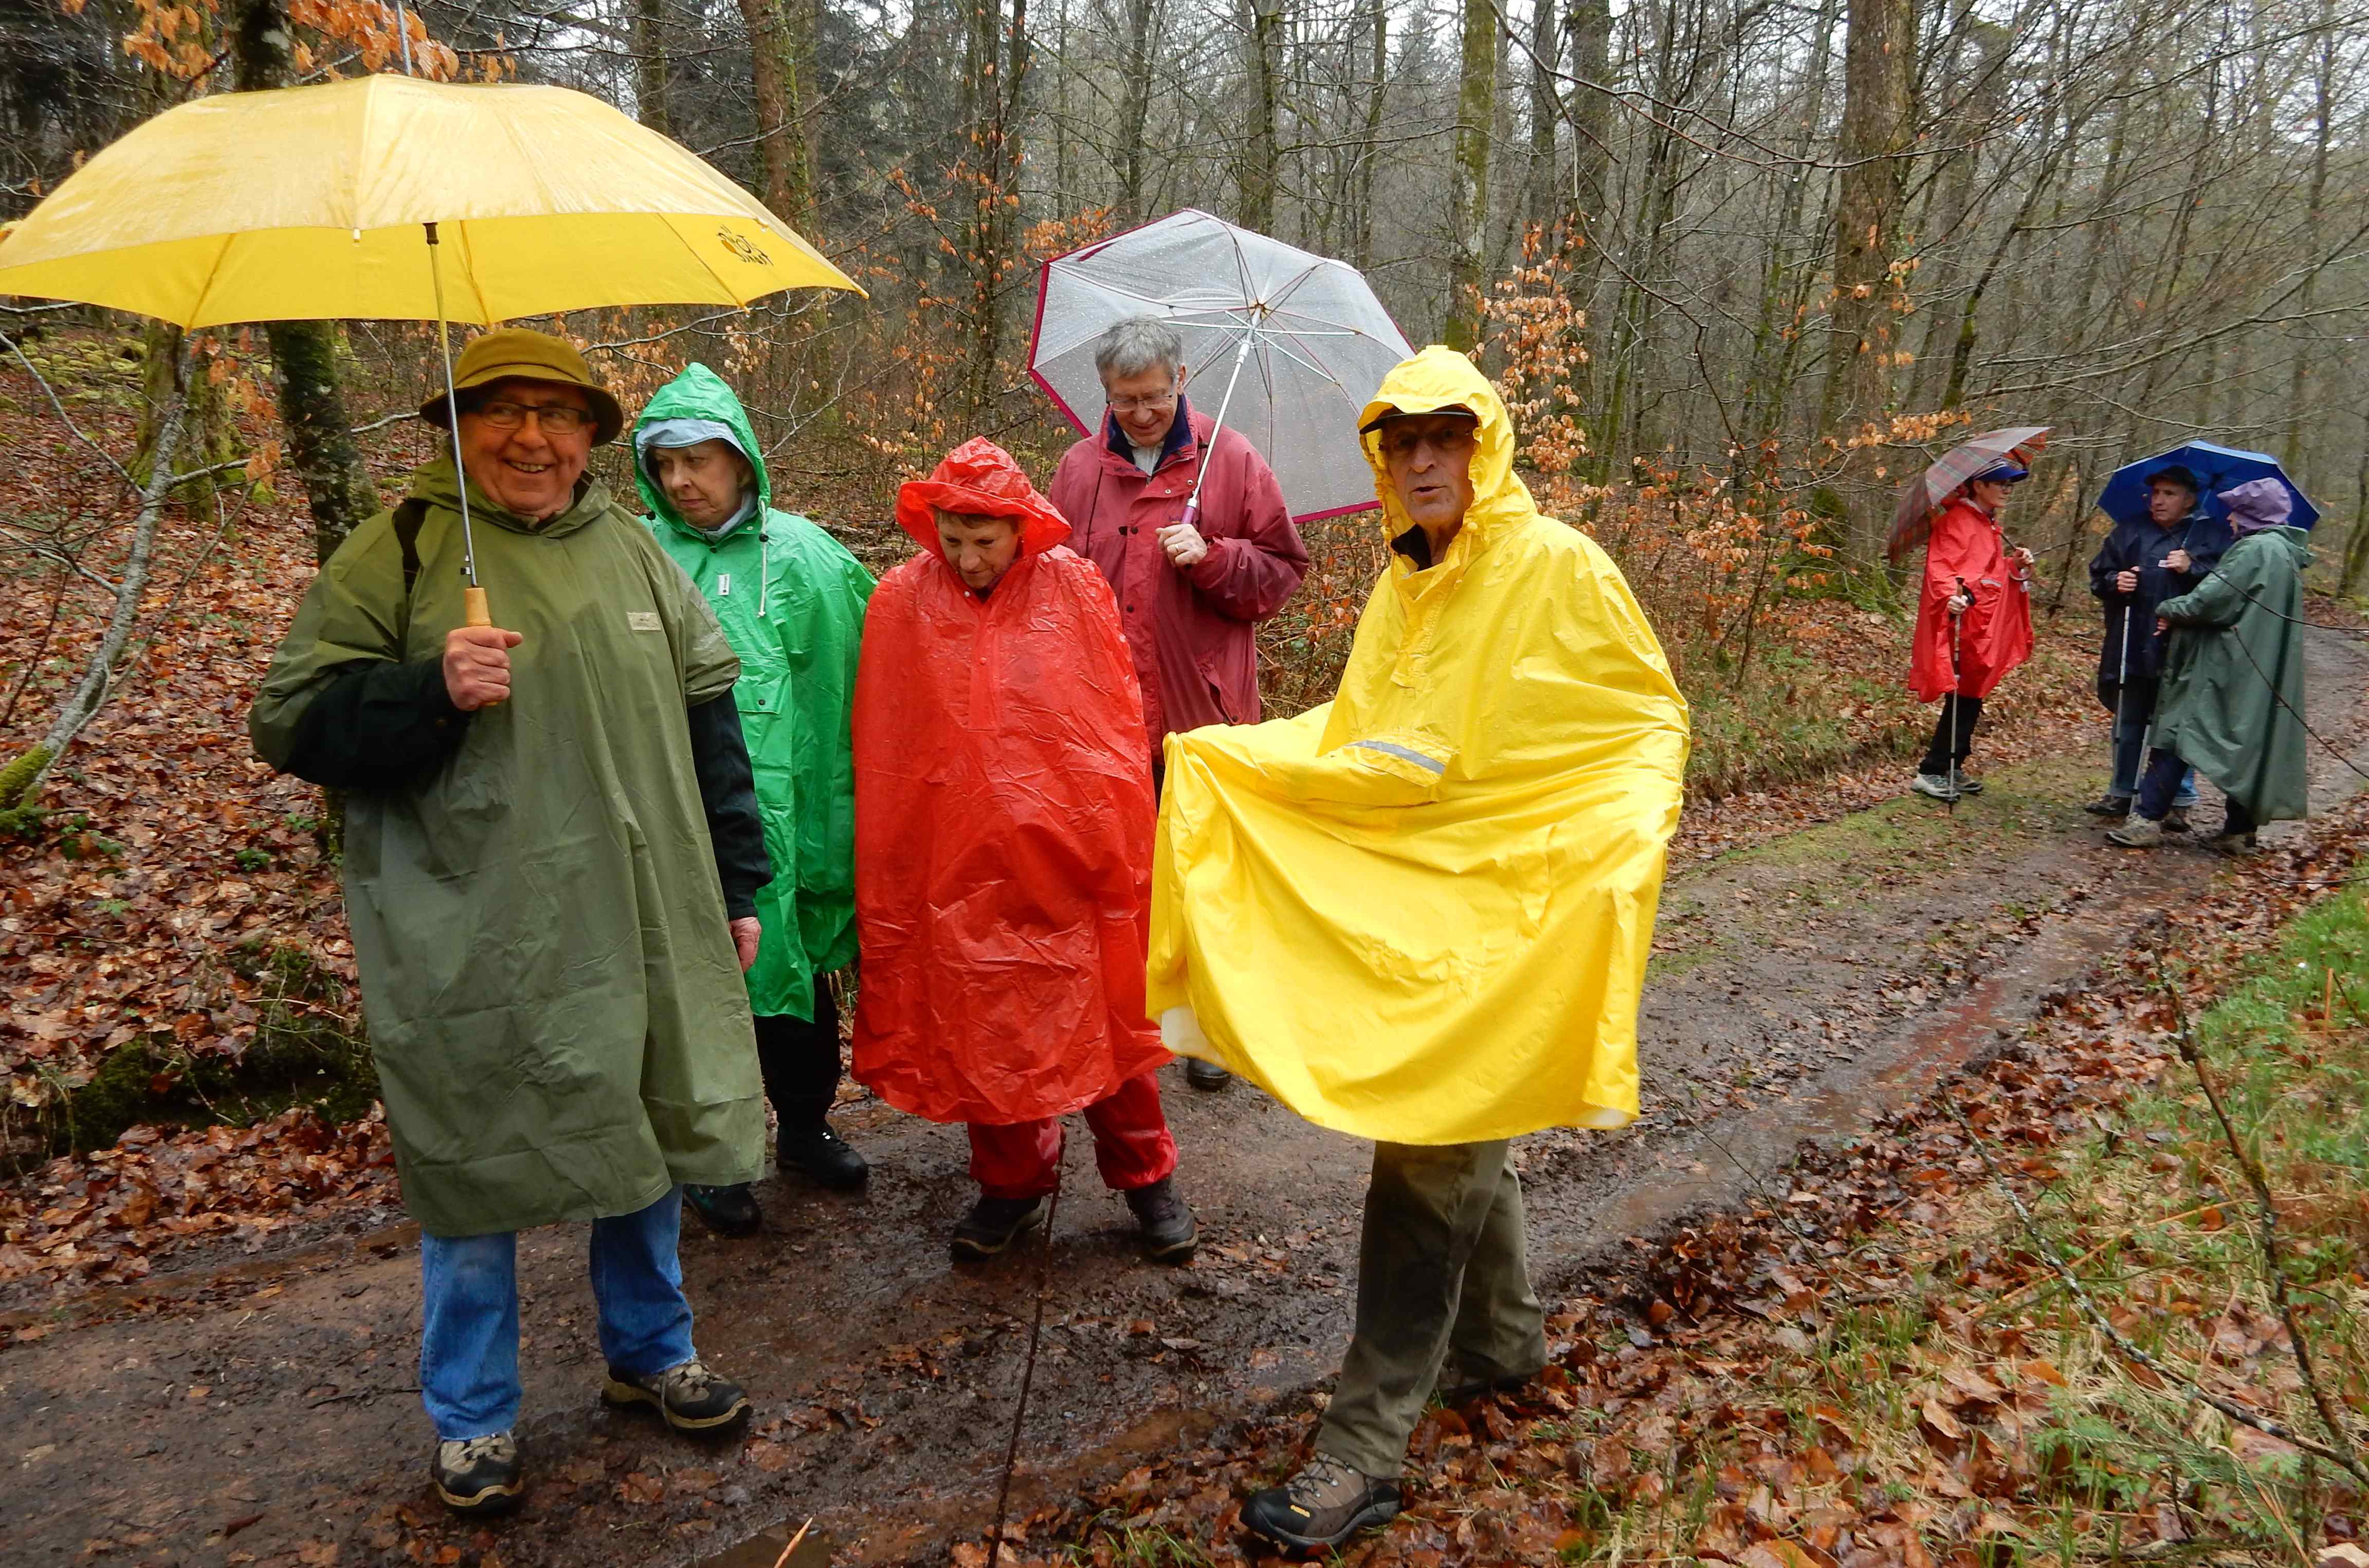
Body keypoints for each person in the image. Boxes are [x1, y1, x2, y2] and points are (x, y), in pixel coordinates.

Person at [1147, 347, 1689, 1552]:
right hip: (1426, 913)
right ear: (1381, 462)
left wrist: (1606, 856)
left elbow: (1645, 726)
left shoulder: (1556, 568)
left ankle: (1362, 1447)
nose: (1423, 460)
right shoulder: (1404, 589)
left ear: (1484, 448)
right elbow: (1369, 741)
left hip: (1514, 921)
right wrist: (1233, 757)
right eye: (1402, 443)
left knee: (1425, 1160)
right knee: (1458, 1127)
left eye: (1446, 438)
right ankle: (1502, 1343)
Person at [249, 329, 766, 1516]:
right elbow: (290, 722)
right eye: (501, 410)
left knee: (644, 1119)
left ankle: (652, 1350)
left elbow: (711, 720)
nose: (532, 437)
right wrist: (428, 690)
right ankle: (474, 1412)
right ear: (454, 426)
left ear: (591, 435)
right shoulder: (399, 549)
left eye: (558, 413)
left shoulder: (634, 547)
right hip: (475, 920)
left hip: (638, 905)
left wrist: (739, 883)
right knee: (474, 1148)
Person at [849, 438, 1197, 1265]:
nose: (968, 559)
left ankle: (1147, 1176)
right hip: (954, 860)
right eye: (952, 539)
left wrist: (1108, 843)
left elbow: (1109, 727)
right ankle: (1010, 1183)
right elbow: (889, 741)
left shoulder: (1072, 586)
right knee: (982, 1025)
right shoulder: (901, 598)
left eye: (985, 541)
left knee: (1106, 1019)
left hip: (1067, 851)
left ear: (1020, 529)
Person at [634, 364, 876, 1233]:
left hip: (796, 816)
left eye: (696, 460)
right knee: (703, 995)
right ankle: (713, 1159)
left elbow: (871, 676)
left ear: (739, 459)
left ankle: (805, 1128)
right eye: (664, 465)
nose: (680, 481)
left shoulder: (806, 556)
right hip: (680, 817)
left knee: (797, 979)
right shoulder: (637, 559)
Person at [1047, 316, 1311, 1092]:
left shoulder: (1232, 460)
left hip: (1203, 710)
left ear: (1182, 381)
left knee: (1206, 870)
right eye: (1124, 399)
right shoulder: (1078, 470)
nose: (1140, 413)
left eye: (1154, 397)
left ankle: (1208, 1024)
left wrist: (1215, 558)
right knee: (1113, 868)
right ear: (1105, 392)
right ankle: (1128, 1011)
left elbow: (1282, 573)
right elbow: (1047, 583)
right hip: (1102, 713)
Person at [2108, 479, 2312, 852]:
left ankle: (2147, 820)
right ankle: (2239, 832)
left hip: (2225, 663)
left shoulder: (2254, 549)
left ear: (2252, 515)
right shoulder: (2284, 551)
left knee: (2177, 730)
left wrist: (2169, 609)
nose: (2230, 519)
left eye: (2237, 512)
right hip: (2255, 665)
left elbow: (2210, 601)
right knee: (2248, 744)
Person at [2085, 465, 2228, 823]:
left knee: (2179, 726)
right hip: (2131, 640)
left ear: (2190, 500)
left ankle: (2178, 799)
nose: (2158, 501)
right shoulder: (2130, 531)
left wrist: (2193, 568)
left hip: (2185, 647)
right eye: (2156, 493)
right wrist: (2115, 581)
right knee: (2129, 719)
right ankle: (2121, 791)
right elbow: (2099, 575)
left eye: (2169, 494)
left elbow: (2226, 589)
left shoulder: (2211, 536)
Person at [1907, 462, 2035, 801]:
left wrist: (2014, 565)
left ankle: (1953, 763)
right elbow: (1941, 567)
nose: (2007, 490)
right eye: (2001, 483)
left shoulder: (1987, 523)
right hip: (1963, 618)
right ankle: (1931, 770)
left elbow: (1988, 571)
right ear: (1978, 486)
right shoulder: (1957, 521)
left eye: (2011, 485)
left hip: (1982, 620)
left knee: (1973, 691)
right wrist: (1950, 596)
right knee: (1962, 691)